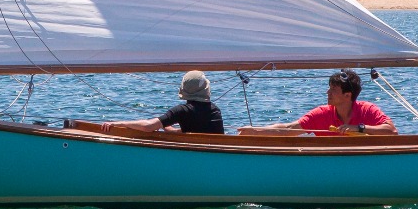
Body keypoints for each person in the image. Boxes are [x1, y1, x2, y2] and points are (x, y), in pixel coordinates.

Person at [237, 69, 396, 136]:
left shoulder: (367, 110)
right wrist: (255, 131)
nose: (328, 93)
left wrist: (359, 128)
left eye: (333, 89)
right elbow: (289, 129)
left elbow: (391, 131)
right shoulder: (322, 114)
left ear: (348, 95)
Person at [94, 70, 224, 134]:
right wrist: (165, 126)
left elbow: (148, 126)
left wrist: (118, 123)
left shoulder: (182, 111)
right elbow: (195, 133)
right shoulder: (215, 110)